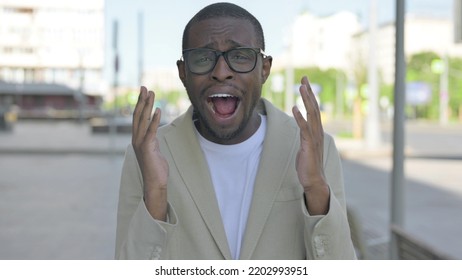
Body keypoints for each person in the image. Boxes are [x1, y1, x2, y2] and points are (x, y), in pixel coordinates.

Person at [115, 2, 356, 260]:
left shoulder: (314, 148)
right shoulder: (147, 154)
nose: (221, 73)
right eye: (204, 58)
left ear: (264, 69)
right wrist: (155, 193)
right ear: (183, 72)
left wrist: (315, 188)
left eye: (240, 56)